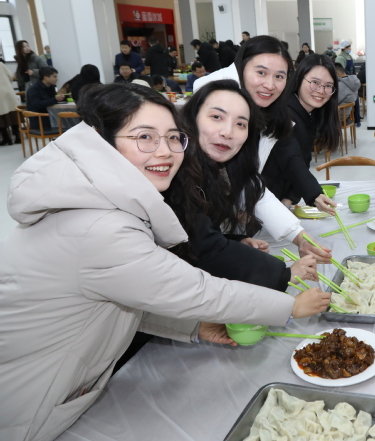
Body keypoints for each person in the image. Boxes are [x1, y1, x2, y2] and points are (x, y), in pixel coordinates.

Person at [0, 83, 331, 441]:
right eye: (145, 137)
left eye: (173, 138)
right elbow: (195, 290)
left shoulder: (106, 200)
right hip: (29, 400)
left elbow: (121, 297)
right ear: (103, 140)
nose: (165, 151)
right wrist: (288, 307)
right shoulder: (100, 226)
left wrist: (192, 327)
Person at [192, 35, 333, 261]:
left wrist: (299, 236)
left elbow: (250, 180)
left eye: (279, 76)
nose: (269, 84)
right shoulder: (216, 103)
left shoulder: (271, 111)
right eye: (261, 72)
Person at [175, 80, 319, 291]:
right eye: (216, 117)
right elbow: (199, 248)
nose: (228, 132)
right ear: (192, 117)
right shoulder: (174, 171)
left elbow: (255, 192)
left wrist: (235, 241)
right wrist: (284, 274)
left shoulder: (220, 164)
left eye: (241, 124)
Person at [262, 54, 340, 209]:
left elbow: (304, 159)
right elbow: (291, 158)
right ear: (299, 79)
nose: (321, 90)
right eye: (315, 83)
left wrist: (288, 200)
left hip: (277, 202)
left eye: (328, 86)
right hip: (260, 200)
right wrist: (314, 194)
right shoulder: (283, 112)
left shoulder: (310, 114)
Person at [26, 66, 63, 131]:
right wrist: (55, 99)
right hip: (40, 120)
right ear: (46, 78)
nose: (56, 79)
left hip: (50, 116)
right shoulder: (34, 89)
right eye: (54, 77)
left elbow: (52, 100)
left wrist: (61, 98)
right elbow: (36, 105)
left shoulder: (51, 87)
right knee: (66, 124)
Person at [0, 59, 19, 145]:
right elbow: (11, 77)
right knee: (13, 115)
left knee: (1, 118)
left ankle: (6, 138)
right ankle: (18, 137)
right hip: (8, 92)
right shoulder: (1, 64)